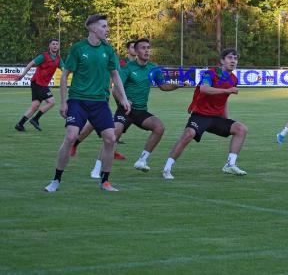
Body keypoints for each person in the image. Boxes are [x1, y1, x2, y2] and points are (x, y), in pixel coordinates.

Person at [43, 14, 131, 193]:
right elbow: (65, 75)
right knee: (70, 136)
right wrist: (63, 102)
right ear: (92, 28)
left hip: (100, 103)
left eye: (107, 26)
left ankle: (105, 181)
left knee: (110, 139)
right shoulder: (78, 48)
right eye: (104, 26)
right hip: (78, 101)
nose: (107, 30)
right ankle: (56, 180)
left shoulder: (108, 50)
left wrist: (123, 97)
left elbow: (115, 75)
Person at [90, 38, 184, 178]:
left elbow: (163, 86)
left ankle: (142, 160)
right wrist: (124, 101)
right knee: (113, 135)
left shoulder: (153, 68)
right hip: (125, 110)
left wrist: (177, 85)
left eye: (148, 47)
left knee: (159, 127)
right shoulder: (128, 68)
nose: (147, 50)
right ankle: (96, 168)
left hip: (140, 111)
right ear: (136, 51)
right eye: (143, 48)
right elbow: (115, 90)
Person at [162, 48, 248, 180]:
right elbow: (204, 89)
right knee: (188, 134)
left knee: (241, 129)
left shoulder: (233, 79)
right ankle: (167, 168)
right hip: (200, 115)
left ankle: (230, 164)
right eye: (230, 58)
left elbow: (224, 100)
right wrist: (227, 91)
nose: (233, 61)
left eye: (235, 59)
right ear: (222, 61)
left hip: (216, 118)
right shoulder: (210, 73)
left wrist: (227, 119)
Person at [69, 39, 137, 158]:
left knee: (117, 124)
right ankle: (75, 143)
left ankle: (111, 149)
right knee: (94, 124)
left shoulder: (136, 65)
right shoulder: (121, 63)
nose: (135, 49)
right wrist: (119, 98)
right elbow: (114, 78)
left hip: (125, 97)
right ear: (128, 50)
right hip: (102, 95)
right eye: (132, 47)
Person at [14, 39, 64, 132]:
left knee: (35, 105)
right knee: (51, 102)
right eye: (53, 44)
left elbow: (64, 70)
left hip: (42, 84)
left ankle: (20, 124)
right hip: (37, 83)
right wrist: (22, 75)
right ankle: (35, 119)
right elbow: (30, 64)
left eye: (57, 44)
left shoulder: (58, 59)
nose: (55, 46)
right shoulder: (43, 56)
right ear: (49, 46)